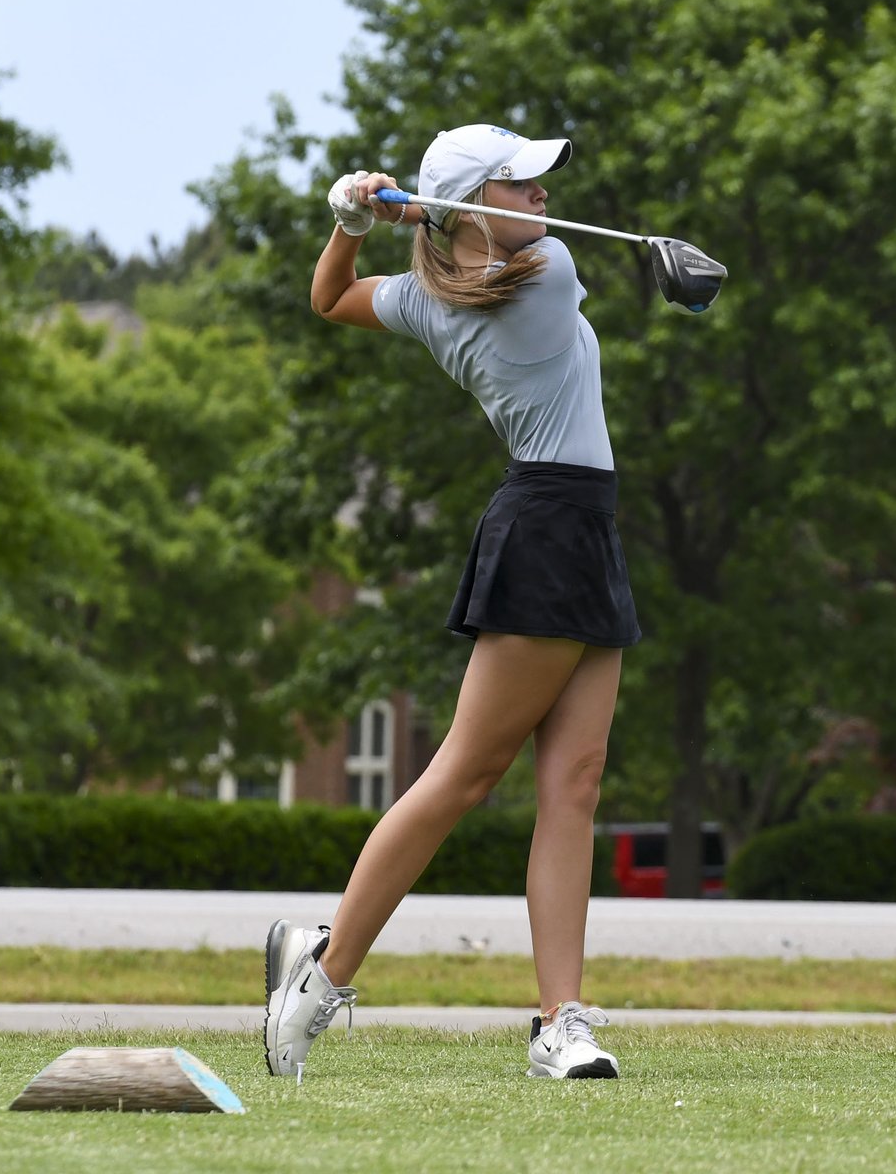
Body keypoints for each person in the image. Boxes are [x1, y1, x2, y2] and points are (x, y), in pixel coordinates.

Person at [264, 123, 640, 1081]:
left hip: (576, 523)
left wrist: (354, 223)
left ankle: (558, 1024)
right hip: (550, 524)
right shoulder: (547, 274)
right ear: (473, 206)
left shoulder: (429, 298)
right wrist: (410, 216)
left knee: (575, 781)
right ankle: (321, 975)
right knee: (464, 775)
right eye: (520, 184)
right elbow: (509, 256)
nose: (543, 197)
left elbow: (329, 296)